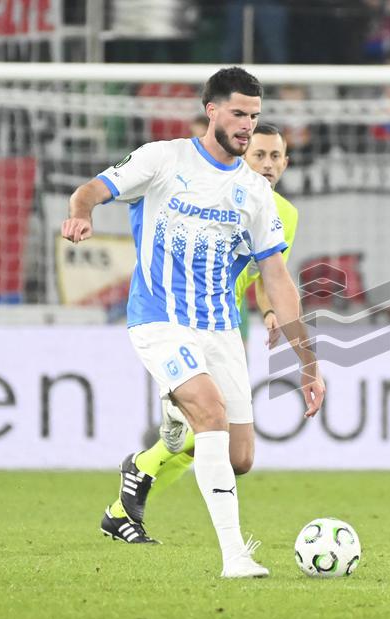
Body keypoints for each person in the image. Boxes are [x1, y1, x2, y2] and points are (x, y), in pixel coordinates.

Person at [63, 67, 324, 578]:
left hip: (221, 327)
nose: (248, 126)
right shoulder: (164, 158)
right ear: (212, 111)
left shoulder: (254, 192)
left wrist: (308, 364)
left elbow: (278, 280)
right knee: (209, 410)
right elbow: (91, 189)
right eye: (239, 114)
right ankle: (234, 557)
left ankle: (178, 408)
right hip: (160, 317)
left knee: (241, 456)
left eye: (254, 116)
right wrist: (82, 213)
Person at [97, 124, 304, 538]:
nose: (266, 164)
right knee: (211, 421)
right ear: (243, 155)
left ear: (286, 162)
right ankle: (146, 470)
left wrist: (268, 314)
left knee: (231, 447)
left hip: (229, 320)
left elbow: (270, 276)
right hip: (182, 314)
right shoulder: (216, 190)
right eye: (258, 155)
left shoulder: (284, 212)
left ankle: (130, 493)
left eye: (274, 157)